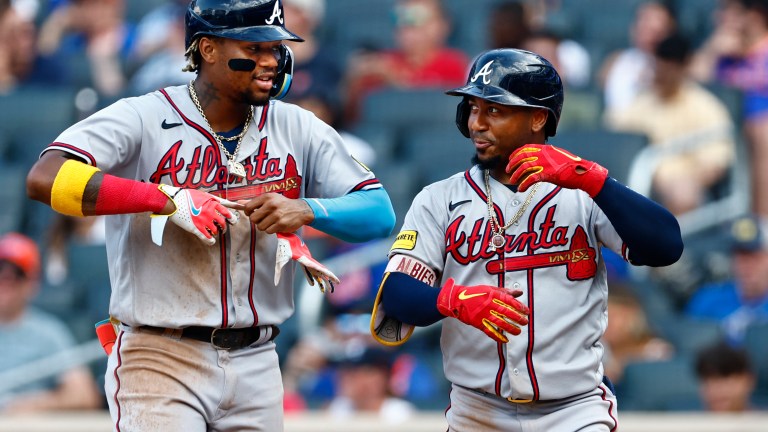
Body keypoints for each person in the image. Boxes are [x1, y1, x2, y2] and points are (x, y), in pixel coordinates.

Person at [25, 0, 396, 430]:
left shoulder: (298, 126)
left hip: (257, 360)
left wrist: (307, 208)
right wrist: (167, 199)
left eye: (276, 48)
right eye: (254, 47)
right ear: (207, 49)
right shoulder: (144, 115)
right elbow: (45, 178)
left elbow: (378, 212)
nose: (270, 60)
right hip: (160, 355)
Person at [369, 48, 683, 431]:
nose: (476, 124)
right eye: (472, 109)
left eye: (494, 110)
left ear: (538, 118)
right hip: (476, 410)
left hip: (574, 410)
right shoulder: (440, 199)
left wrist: (595, 180)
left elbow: (666, 246)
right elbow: (397, 295)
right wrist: (452, 300)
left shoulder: (585, 191)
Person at [605, 32, 736, 216]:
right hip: (638, 184)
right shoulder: (642, 101)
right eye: (659, 67)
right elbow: (613, 134)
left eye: (669, 69)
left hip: (681, 189)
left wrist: (684, 181)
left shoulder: (704, 106)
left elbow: (717, 161)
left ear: (683, 68)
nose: (663, 74)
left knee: (682, 194)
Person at [0, 232, 102, 414]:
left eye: (17, 273)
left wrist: (29, 404)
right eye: (0, 270)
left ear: (32, 283)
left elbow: (84, 394)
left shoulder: (48, 332)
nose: (5, 280)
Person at [689, 0, 768, 219]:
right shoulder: (722, 54)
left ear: (753, 16)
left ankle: (762, 226)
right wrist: (712, 50)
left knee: (762, 131)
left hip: (757, 134)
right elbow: (688, 85)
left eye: (729, 11)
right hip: (722, 133)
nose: (720, 17)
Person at [341, 0, 469, 125]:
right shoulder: (382, 62)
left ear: (441, 26)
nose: (405, 26)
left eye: (418, 17)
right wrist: (353, 82)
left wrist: (394, 80)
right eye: (397, 17)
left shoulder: (454, 63)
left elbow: (443, 113)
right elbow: (352, 118)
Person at [685, 214, 768, 345]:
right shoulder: (708, 299)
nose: (746, 266)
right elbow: (688, 343)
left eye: (754, 257)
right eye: (740, 258)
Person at [598, 0, 678, 112]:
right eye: (642, 20)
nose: (645, 26)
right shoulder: (615, 61)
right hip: (617, 124)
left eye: (653, 22)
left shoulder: (675, 68)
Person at [326, 346, 416, 424]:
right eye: (343, 371)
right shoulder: (339, 408)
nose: (345, 377)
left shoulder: (400, 413)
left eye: (353, 372)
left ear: (380, 378)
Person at [695, 340, 758, 412]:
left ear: (749, 380)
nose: (718, 391)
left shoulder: (764, 422)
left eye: (726, 380)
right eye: (709, 381)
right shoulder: (686, 422)